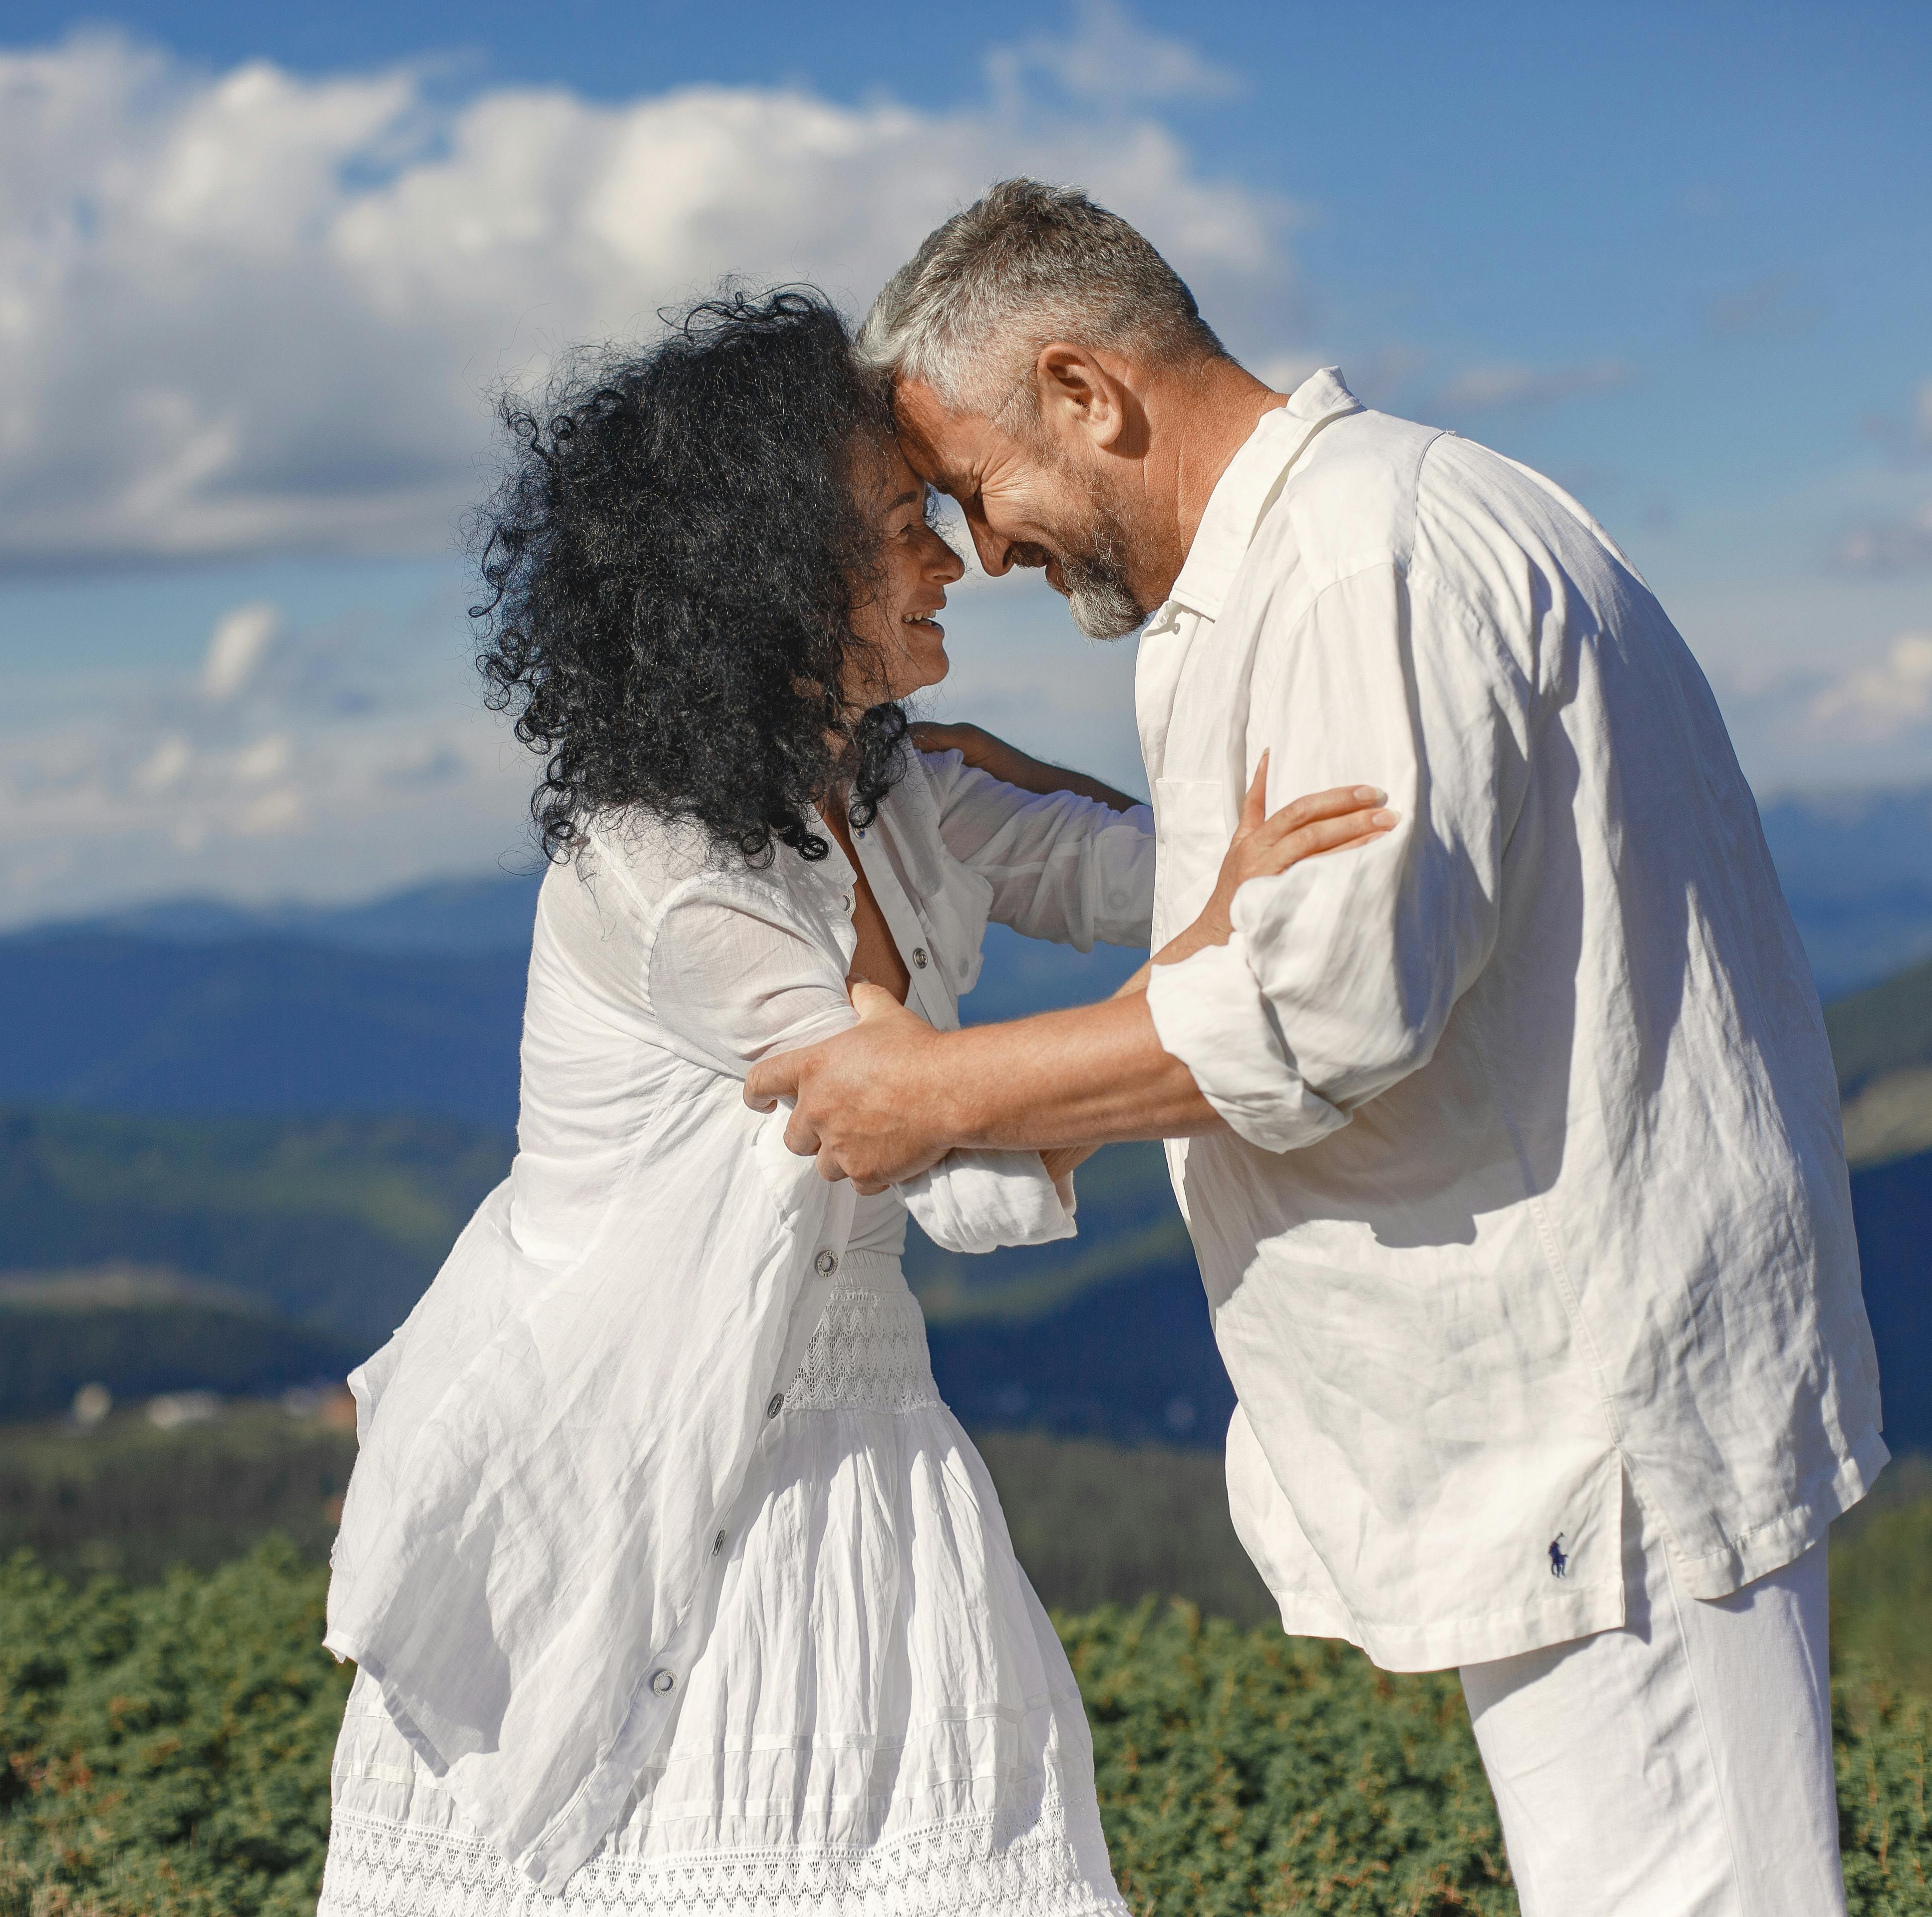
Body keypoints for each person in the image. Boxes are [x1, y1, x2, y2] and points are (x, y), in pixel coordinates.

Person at [749, 183, 1888, 1917]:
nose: (985, 552)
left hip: (1593, 1408)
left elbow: (1328, 1006)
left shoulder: (1366, 568)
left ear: (1085, 392)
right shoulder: (1330, 554)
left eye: (975, 488)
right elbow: (1292, 936)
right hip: (1565, 1397)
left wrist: (937, 1091)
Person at [314, 288, 1387, 1914]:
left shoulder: (888, 790)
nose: (953, 560)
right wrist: (1223, 970)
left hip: (856, 1432)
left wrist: (1246, 848)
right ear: (774, 578)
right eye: (903, 529)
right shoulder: (661, 871)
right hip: (625, 1446)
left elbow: (1147, 876)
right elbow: (931, 1147)